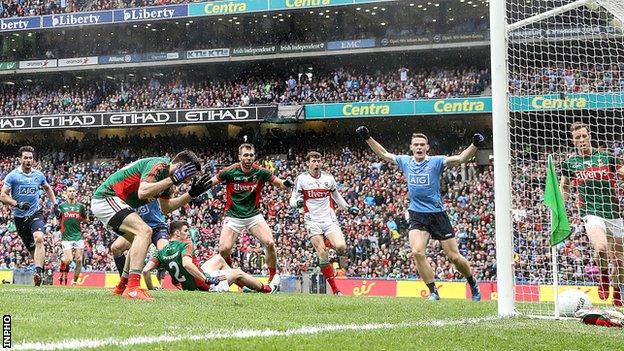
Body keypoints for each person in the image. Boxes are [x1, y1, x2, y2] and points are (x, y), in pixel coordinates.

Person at [356, 126, 483, 301]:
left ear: (427, 147)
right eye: (416, 144)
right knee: (417, 252)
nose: (419, 147)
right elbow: (384, 154)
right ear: (411, 147)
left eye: (422, 144)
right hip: (417, 213)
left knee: (454, 257)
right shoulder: (405, 161)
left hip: (437, 214)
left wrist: (474, 145)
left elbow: (461, 158)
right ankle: (433, 292)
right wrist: (367, 137)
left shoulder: (436, 162)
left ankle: (472, 283)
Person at [91, 151, 211, 300]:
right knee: (144, 231)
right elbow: (143, 192)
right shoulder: (158, 165)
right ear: (180, 167)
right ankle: (133, 288)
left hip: (114, 202)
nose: (187, 182)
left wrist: (191, 194)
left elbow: (165, 208)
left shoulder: (167, 180)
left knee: (139, 239)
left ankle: (122, 286)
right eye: (189, 177)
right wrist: (173, 179)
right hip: (106, 197)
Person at [204, 143, 292, 287]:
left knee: (269, 243)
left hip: (253, 215)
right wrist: (200, 187)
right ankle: (231, 272)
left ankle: (272, 275)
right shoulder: (230, 171)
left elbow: (279, 183)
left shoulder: (261, 172)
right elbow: (212, 181)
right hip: (233, 216)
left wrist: (286, 183)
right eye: (245, 155)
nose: (249, 158)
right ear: (240, 157)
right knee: (224, 250)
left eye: (251, 155)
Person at [560, 122, 624, 306]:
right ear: (573, 141)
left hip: (613, 214)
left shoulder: (606, 157)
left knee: (620, 262)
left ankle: (617, 291)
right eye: (577, 138)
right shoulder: (570, 163)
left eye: (584, 136)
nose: (582, 140)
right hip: (591, 213)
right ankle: (604, 277)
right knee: (601, 248)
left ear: (590, 136)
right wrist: (560, 208)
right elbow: (564, 186)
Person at [289, 151, 359, 295]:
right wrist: (298, 203)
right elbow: (292, 199)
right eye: (313, 161)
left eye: (318, 161)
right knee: (322, 253)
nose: (316, 163)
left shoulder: (328, 178)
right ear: (308, 163)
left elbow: (337, 196)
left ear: (322, 163)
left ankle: (327, 242)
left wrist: (348, 208)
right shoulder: (301, 179)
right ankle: (335, 290)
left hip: (329, 219)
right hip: (312, 221)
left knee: (341, 247)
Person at [142, 221, 279, 293]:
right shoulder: (186, 244)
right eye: (185, 231)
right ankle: (267, 289)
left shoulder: (160, 252)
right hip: (205, 286)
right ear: (177, 233)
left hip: (188, 283)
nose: (188, 234)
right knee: (238, 273)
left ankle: (244, 288)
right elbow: (187, 264)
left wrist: (151, 288)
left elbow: (146, 271)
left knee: (220, 258)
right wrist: (207, 279)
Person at [0, 146, 57, 286]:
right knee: (32, 250)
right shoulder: (12, 176)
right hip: (19, 218)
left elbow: (48, 188)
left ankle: (38, 273)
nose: (28, 160)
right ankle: (39, 271)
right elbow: (2, 196)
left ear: (33, 159)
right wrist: (17, 204)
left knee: (39, 238)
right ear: (20, 159)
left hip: (35, 213)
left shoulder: (38, 175)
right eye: (25, 157)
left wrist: (55, 204)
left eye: (30, 157)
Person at [110, 199, 170, 290]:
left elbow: (167, 198)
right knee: (116, 247)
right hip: (138, 229)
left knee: (165, 252)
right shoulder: (128, 192)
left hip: (157, 227)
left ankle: (176, 281)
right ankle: (124, 282)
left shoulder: (147, 186)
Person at [56, 186, 88, 286]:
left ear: (76, 193)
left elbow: (83, 218)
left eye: (73, 191)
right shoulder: (62, 206)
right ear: (66, 193)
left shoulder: (80, 207)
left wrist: (89, 219)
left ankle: (74, 281)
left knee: (79, 260)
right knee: (69, 260)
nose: (72, 193)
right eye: (70, 191)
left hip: (78, 236)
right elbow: (57, 218)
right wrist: (57, 225)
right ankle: (62, 258)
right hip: (66, 237)